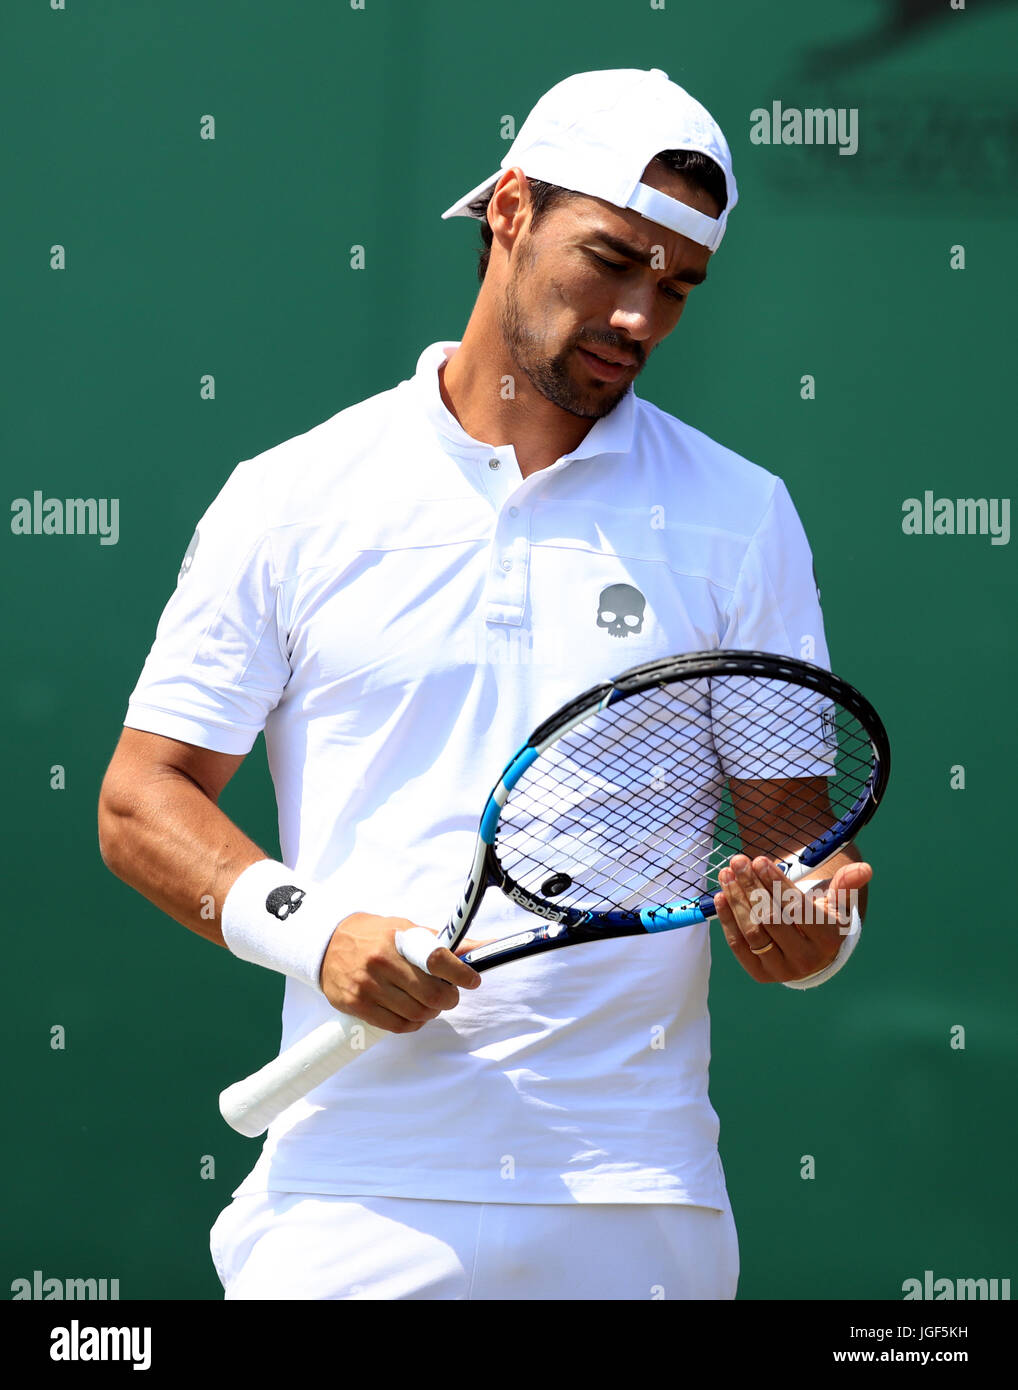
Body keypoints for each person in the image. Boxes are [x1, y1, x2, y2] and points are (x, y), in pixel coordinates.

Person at [98, 68, 873, 1301]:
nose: (637, 315)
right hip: (347, 1200)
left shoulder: (743, 519)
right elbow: (143, 797)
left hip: (638, 1202)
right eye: (611, 260)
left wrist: (806, 938)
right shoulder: (291, 495)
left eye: (676, 287)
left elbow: (797, 861)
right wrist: (315, 932)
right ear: (508, 209)